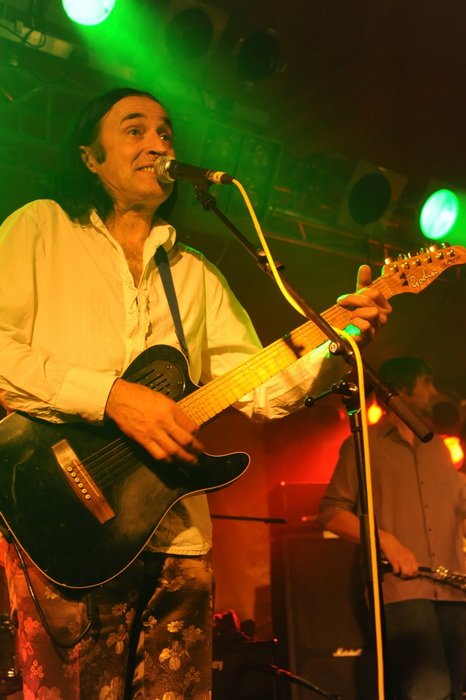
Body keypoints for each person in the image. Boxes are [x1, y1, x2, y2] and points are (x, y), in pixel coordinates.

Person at [0, 86, 391, 700]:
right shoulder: (40, 228)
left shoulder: (195, 273)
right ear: (89, 157)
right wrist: (110, 397)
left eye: (165, 132)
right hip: (61, 521)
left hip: (177, 540)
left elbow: (263, 390)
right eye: (134, 130)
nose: (157, 143)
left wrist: (337, 339)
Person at [318, 356, 466, 700]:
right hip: (403, 590)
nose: (434, 392)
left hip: (454, 588)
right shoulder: (364, 444)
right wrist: (385, 540)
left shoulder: (438, 446)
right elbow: (331, 513)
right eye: (426, 382)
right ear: (400, 390)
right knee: (429, 688)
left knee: (458, 688)